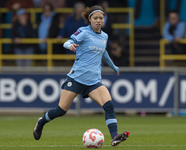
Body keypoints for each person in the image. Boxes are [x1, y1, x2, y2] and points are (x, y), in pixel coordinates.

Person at [33, 5, 129, 147]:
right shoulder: (83, 32)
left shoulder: (104, 36)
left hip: (94, 81)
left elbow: (103, 52)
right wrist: (70, 46)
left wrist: (113, 66)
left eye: (101, 18)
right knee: (61, 111)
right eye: (95, 18)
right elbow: (68, 41)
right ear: (89, 19)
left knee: (109, 106)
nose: (98, 21)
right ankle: (41, 122)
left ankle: (114, 136)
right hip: (76, 78)